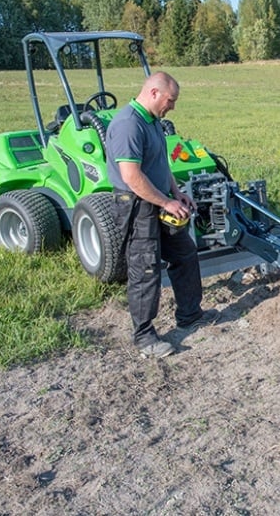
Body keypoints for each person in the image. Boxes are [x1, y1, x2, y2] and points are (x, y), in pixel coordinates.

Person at [106, 71, 218, 358]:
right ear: (154, 93)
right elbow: (131, 177)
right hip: (136, 204)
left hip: (157, 199)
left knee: (184, 253)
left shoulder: (153, 122)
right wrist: (166, 203)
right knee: (145, 268)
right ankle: (144, 337)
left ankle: (190, 314)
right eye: (171, 100)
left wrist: (176, 192)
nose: (172, 106)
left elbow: (160, 163)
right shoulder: (128, 124)